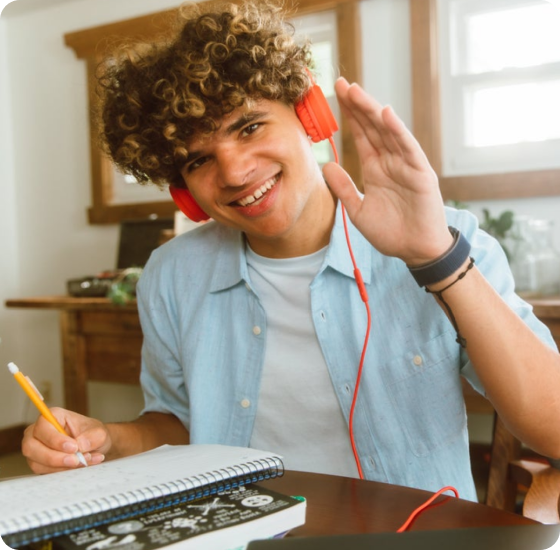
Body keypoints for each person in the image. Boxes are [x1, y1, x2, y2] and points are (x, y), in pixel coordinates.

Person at [22, 0, 560, 502]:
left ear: (310, 116)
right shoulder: (171, 275)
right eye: (198, 160)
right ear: (185, 195)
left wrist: (435, 258)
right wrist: (107, 440)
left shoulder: (447, 240)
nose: (233, 172)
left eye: (249, 126)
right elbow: (180, 424)